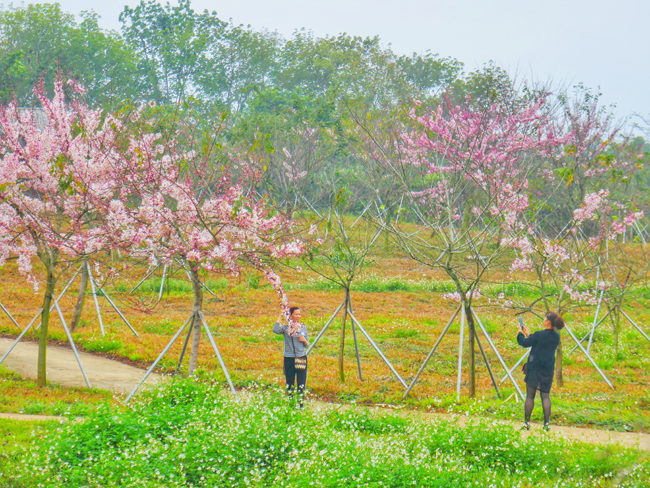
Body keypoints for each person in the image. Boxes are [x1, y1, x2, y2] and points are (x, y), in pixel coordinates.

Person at [517, 311, 565, 431]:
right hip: (548, 369)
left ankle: (527, 423)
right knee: (545, 396)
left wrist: (520, 333)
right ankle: (546, 424)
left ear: (548, 321)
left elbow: (524, 343)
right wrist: (530, 335)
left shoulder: (539, 335)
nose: (543, 320)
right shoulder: (556, 336)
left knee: (530, 396)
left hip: (534, 368)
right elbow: (541, 342)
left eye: (545, 318)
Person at [273, 307, 309, 405]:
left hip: (301, 357)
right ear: (290, 315)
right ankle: (290, 403)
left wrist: (304, 340)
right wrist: (280, 315)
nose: (298, 316)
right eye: (296, 314)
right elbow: (275, 329)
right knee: (290, 382)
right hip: (289, 358)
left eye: (299, 314)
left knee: (301, 383)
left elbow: (307, 344)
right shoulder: (285, 328)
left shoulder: (303, 328)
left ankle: (300, 404)